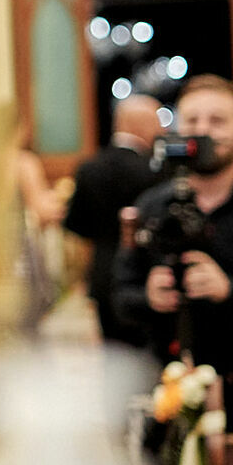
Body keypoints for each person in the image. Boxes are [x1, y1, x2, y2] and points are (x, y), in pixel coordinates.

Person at [113, 76, 233, 432]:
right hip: (168, 394)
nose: (202, 131)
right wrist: (150, 299)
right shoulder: (151, 206)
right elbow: (121, 297)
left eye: (217, 121)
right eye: (192, 121)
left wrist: (229, 291)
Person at [64, 95, 162, 348]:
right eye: (157, 121)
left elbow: (76, 225)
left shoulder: (89, 167)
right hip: (146, 277)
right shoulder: (153, 172)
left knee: (113, 355)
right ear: (138, 124)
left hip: (103, 273)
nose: (161, 129)